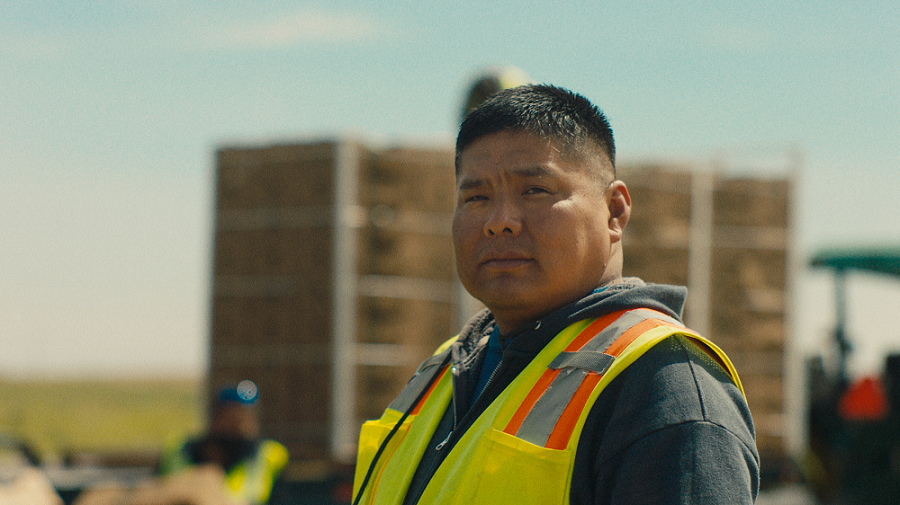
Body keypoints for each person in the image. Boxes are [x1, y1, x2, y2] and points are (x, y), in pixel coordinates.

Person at [352, 84, 759, 505]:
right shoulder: (446, 369)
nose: (499, 221)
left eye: (535, 191)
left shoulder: (663, 387)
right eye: (476, 197)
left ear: (614, 212)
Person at [158, 381, 289, 505]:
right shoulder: (179, 450)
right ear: (215, 417)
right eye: (232, 418)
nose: (241, 426)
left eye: (246, 418)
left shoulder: (270, 455)